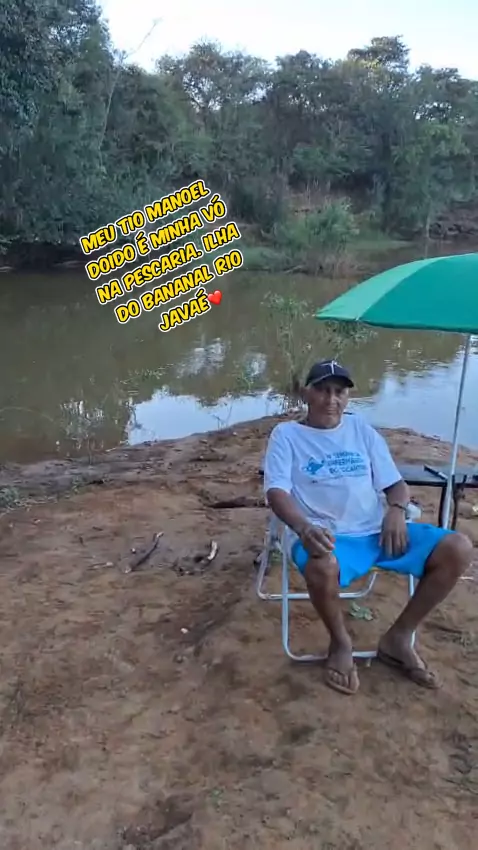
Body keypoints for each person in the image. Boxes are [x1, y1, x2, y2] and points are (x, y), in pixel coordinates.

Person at [263, 359, 473, 695]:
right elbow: (276, 492)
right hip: (328, 536)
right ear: (306, 393)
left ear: (348, 396)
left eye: (340, 392)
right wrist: (303, 527)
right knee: (321, 564)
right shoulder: (287, 435)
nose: (332, 399)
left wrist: (396, 509)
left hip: (379, 533)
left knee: (457, 548)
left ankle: (399, 637)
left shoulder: (360, 429)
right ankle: (340, 642)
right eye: (323, 390)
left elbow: (395, 484)